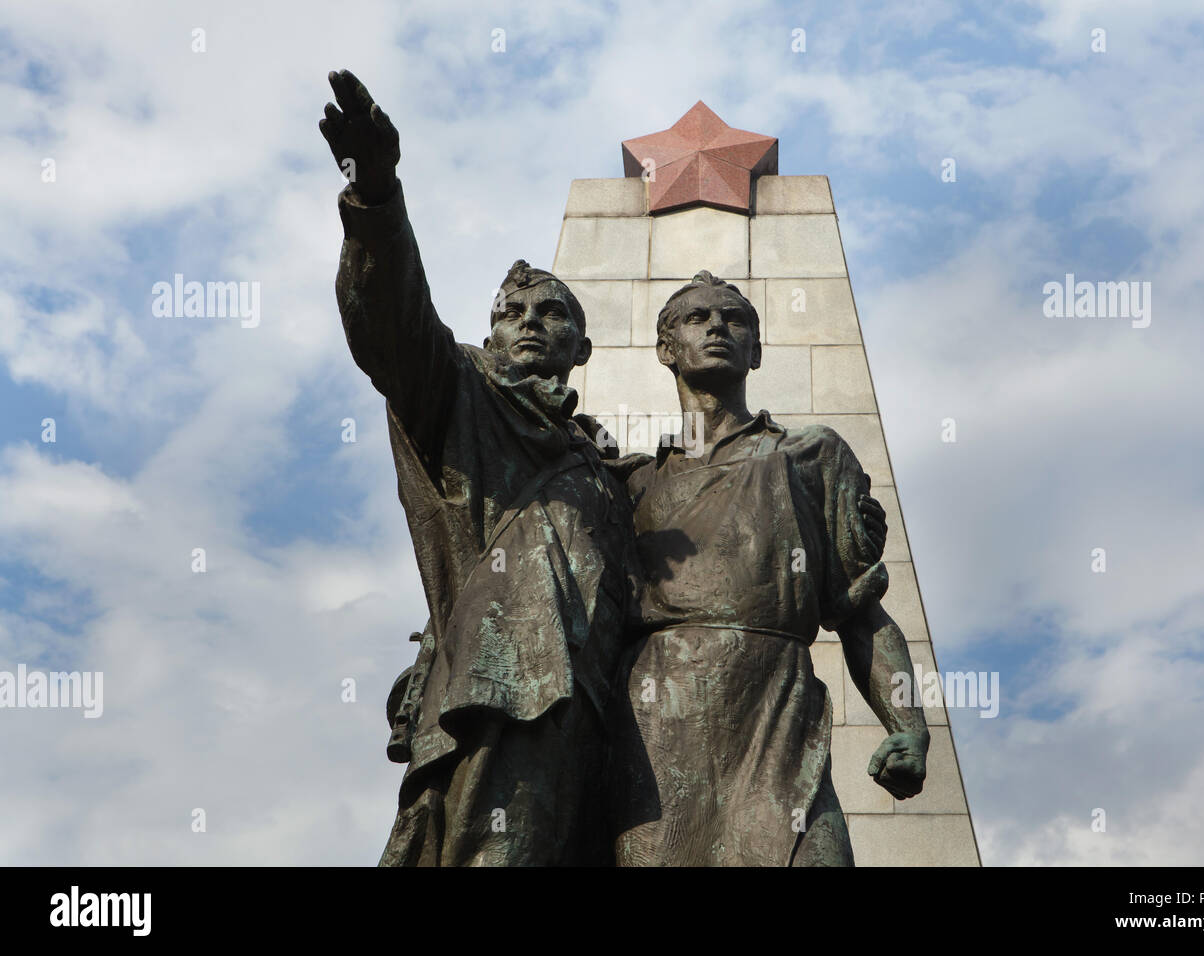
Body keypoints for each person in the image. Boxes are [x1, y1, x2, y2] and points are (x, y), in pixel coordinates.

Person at [320, 70, 639, 866]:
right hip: (506, 693)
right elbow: (393, 327)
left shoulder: (612, 469)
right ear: (491, 335)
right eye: (512, 313)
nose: (529, 324)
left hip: (606, 720)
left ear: (582, 347)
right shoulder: (464, 393)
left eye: (552, 314)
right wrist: (376, 194)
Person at [611, 271, 929, 866]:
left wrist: (908, 724)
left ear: (756, 350)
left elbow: (863, 617)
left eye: (735, 320)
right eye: (697, 318)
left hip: (779, 721)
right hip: (653, 739)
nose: (717, 328)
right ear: (665, 348)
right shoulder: (631, 485)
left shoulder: (811, 456)